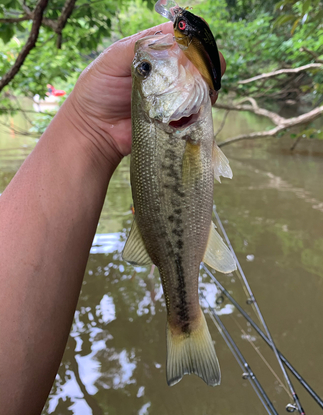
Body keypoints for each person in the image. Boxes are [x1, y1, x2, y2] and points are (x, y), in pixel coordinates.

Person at [0, 22, 225, 415]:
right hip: (180, 220)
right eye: (146, 72)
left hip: (180, 218)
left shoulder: (178, 120)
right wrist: (88, 125)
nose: (150, 62)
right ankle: (185, 325)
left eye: (145, 71)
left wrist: (89, 130)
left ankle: (183, 323)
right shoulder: (175, 122)